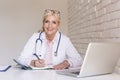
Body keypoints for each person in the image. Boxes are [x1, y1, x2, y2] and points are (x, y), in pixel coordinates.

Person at [18, 9, 83, 70]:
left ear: (58, 25)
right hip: (37, 75)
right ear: (43, 23)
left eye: (54, 22)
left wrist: (65, 63)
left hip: (57, 76)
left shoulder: (65, 40)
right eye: (47, 22)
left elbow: (79, 60)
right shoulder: (35, 37)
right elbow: (21, 59)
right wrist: (33, 62)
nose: (50, 26)